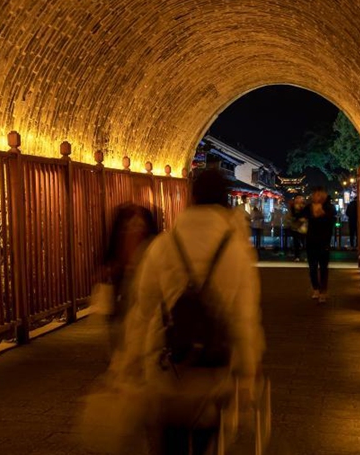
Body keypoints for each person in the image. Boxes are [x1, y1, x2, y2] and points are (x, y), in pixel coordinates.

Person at [111, 169, 265, 455]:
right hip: (214, 369)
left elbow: (142, 313)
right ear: (225, 200)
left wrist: (129, 367)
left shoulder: (162, 246)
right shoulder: (237, 251)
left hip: (166, 367)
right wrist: (247, 373)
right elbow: (245, 318)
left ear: (191, 198)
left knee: (170, 444)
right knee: (207, 442)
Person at [102, 203, 159, 352]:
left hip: (136, 280)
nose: (135, 227)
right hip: (125, 281)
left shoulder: (147, 239)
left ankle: (129, 347)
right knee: (124, 316)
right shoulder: (148, 237)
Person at [299, 187, 337, 303]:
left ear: (324, 195)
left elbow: (331, 220)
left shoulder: (329, 207)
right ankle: (315, 288)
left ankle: (323, 291)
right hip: (311, 240)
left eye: (320, 194)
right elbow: (300, 217)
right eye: (315, 194)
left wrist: (321, 214)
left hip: (324, 240)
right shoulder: (308, 207)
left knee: (323, 267)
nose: (317, 196)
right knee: (312, 267)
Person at [286, 196, 307, 262]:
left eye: (300, 199)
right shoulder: (293, 208)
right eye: (297, 199)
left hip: (302, 227)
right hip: (296, 227)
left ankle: (302, 256)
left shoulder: (304, 207)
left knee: (303, 242)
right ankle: (298, 256)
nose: (299, 200)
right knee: (297, 242)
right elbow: (289, 217)